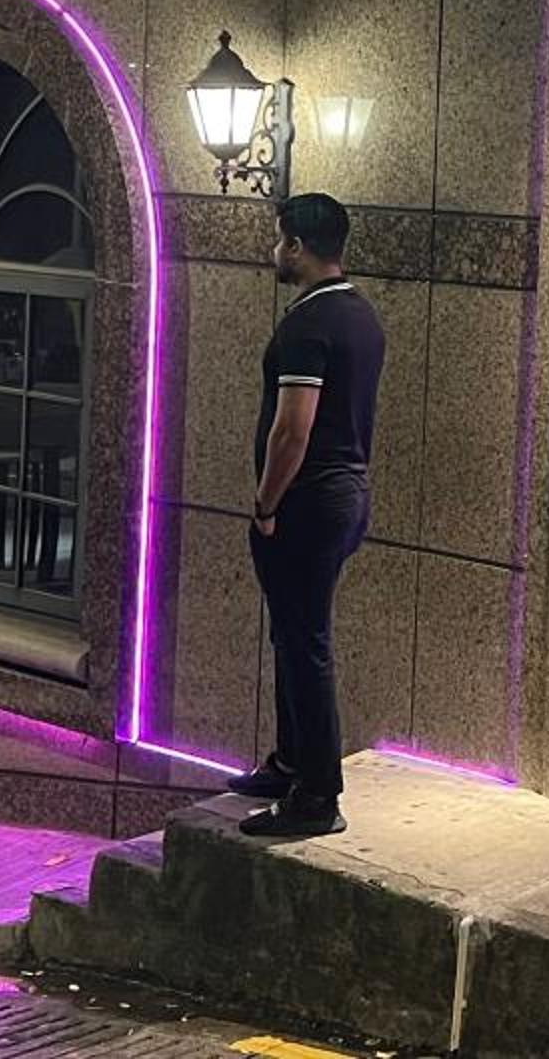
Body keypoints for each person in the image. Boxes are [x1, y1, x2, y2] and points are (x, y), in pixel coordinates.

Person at [228, 192, 387, 838]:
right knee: (294, 635)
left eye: (279, 240)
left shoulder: (307, 325)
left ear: (296, 245)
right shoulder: (360, 316)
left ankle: (317, 796)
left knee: (305, 643)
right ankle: (292, 762)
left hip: (307, 503)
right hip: (345, 493)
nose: (275, 251)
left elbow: (293, 430)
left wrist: (266, 504)